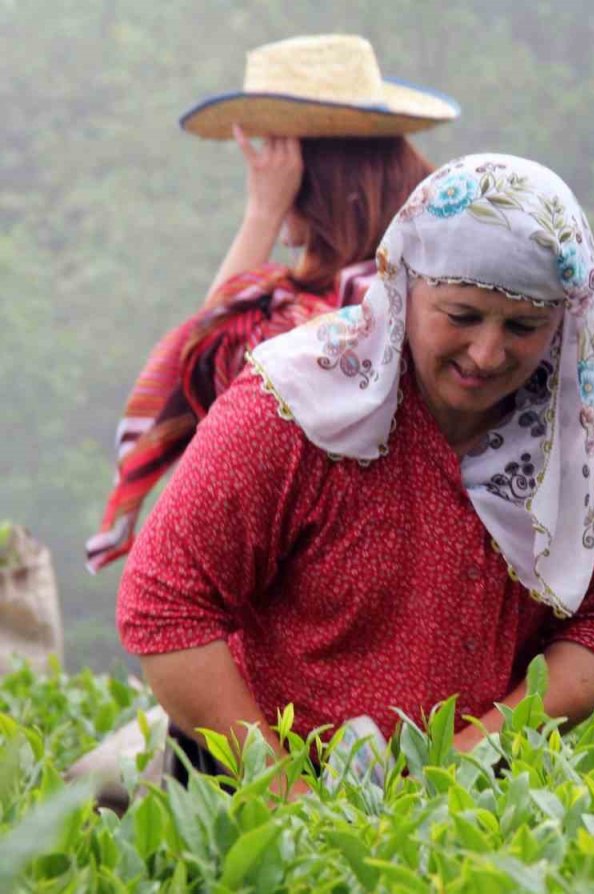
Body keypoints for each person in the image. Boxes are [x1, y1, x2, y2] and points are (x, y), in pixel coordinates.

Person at [116, 154, 594, 793]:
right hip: (247, 784)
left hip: (485, 796)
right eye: (461, 316)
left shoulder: (593, 423)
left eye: (523, 326)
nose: (487, 354)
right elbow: (168, 602)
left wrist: (460, 766)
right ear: (404, 285)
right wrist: (283, 797)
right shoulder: (297, 403)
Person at [86, 34, 458, 571]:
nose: (263, 172)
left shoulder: (331, 315)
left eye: (276, 155)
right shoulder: (423, 273)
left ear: (315, 175)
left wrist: (261, 214)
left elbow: (206, 366)